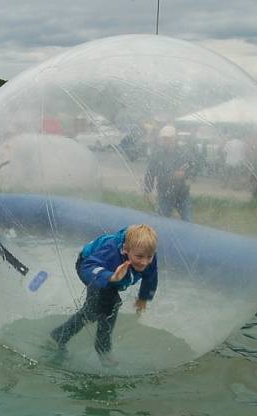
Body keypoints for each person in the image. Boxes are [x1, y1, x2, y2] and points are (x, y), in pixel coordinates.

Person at [50, 224, 159, 365]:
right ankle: (103, 349)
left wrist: (144, 297)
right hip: (92, 267)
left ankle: (60, 335)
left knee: (93, 310)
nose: (145, 262)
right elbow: (87, 268)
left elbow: (151, 276)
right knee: (110, 305)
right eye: (139, 257)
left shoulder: (146, 252)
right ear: (126, 249)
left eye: (149, 257)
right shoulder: (111, 252)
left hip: (112, 273)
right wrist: (110, 277)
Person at [144, 125, 196, 221]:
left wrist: (185, 174)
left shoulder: (185, 153)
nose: (165, 141)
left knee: (188, 220)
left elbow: (194, 168)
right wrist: (148, 190)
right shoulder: (157, 154)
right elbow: (150, 173)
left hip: (182, 193)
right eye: (163, 139)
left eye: (167, 139)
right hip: (165, 194)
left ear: (175, 139)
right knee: (162, 221)